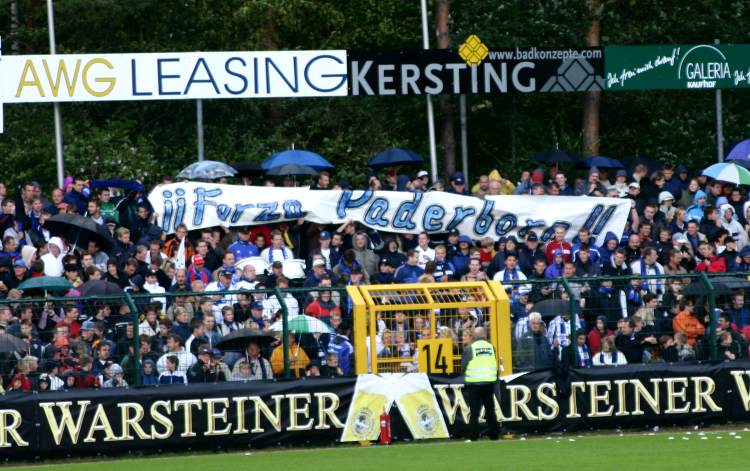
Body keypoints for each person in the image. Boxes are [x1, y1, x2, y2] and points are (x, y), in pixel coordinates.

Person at [462, 326, 500, 441]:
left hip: (474, 384)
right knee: (490, 410)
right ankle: (494, 435)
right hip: (489, 383)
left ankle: (474, 436)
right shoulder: (491, 348)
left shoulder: (470, 349)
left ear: (474, 336)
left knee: (474, 411)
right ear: (485, 335)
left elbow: (464, 365)